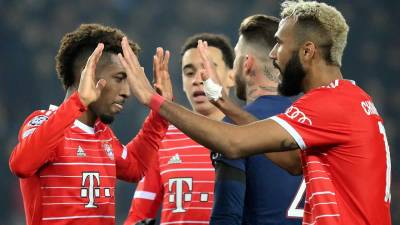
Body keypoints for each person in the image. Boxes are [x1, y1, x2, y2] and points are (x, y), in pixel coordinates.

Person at [117, 1, 392, 225]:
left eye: (280, 44)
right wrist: (225, 104)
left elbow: (233, 143)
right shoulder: (351, 97)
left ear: (307, 52)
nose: (273, 54)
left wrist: (153, 100)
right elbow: (292, 162)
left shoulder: (327, 105)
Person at [9, 24, 170, 225]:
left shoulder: (103, 135)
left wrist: (160, 113)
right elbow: (21, 165)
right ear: (88, 74)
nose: (127, 92)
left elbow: (135, 167)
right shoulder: (43, 122)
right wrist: (78, 102)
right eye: (119, 78)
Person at [123, 33, 235, 225]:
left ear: (231, 77)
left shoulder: (250, 138)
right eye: (189, 73)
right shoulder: (161, 140)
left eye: (208, 68)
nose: (198, 80)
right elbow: (138, 216)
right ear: (182, 82)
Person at [209, 15, 303, 225]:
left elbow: (226, 215)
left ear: (247, 63)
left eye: (235, 59)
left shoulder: (233, 126)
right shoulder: (317, 120)